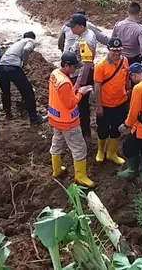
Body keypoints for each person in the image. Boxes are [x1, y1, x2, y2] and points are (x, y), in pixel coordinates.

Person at [48, 51, 94, 187]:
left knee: (57, 143)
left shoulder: (55, 74)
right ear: (67, 65)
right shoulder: (65, 82)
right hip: (68, 121)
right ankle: (81, 177)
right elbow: (70, 103)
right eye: (74, 67)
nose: (75, 69)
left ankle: (56, 170)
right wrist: (80, 93)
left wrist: (73, 90)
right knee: (79, 148)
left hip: (55, 118)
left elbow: (62, 96)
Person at [93, 37, 129, 165]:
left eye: (119, 51)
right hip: (105, 104)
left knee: (116, 129)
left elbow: (126, 77)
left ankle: (112, 153)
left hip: (120, 103)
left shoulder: (125, 61)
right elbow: (97, 86)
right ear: (108, 50)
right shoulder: (101, 65)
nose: (116, 54)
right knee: (103, 129)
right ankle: (101, 151)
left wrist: (128, 89)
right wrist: (99, 105)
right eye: (113, 51)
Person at [0, 31, 45, 124]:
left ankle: (8, 113)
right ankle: (34, 118)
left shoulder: (17, 43)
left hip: (1, 67)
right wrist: (25, 63)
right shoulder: (31, 41)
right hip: (12, 67)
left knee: (5, 91)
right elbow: (27, 49)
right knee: (28, 92)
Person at [63, 13, 97, 137]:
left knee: (81, 104)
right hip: (80, 74)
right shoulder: (85, 35)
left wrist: (78, 84)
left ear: (81, 26)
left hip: (81, 76)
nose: (70, 29)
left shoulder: (85, 40)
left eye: (73, 27)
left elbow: (86, 64)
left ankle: (84, 130)